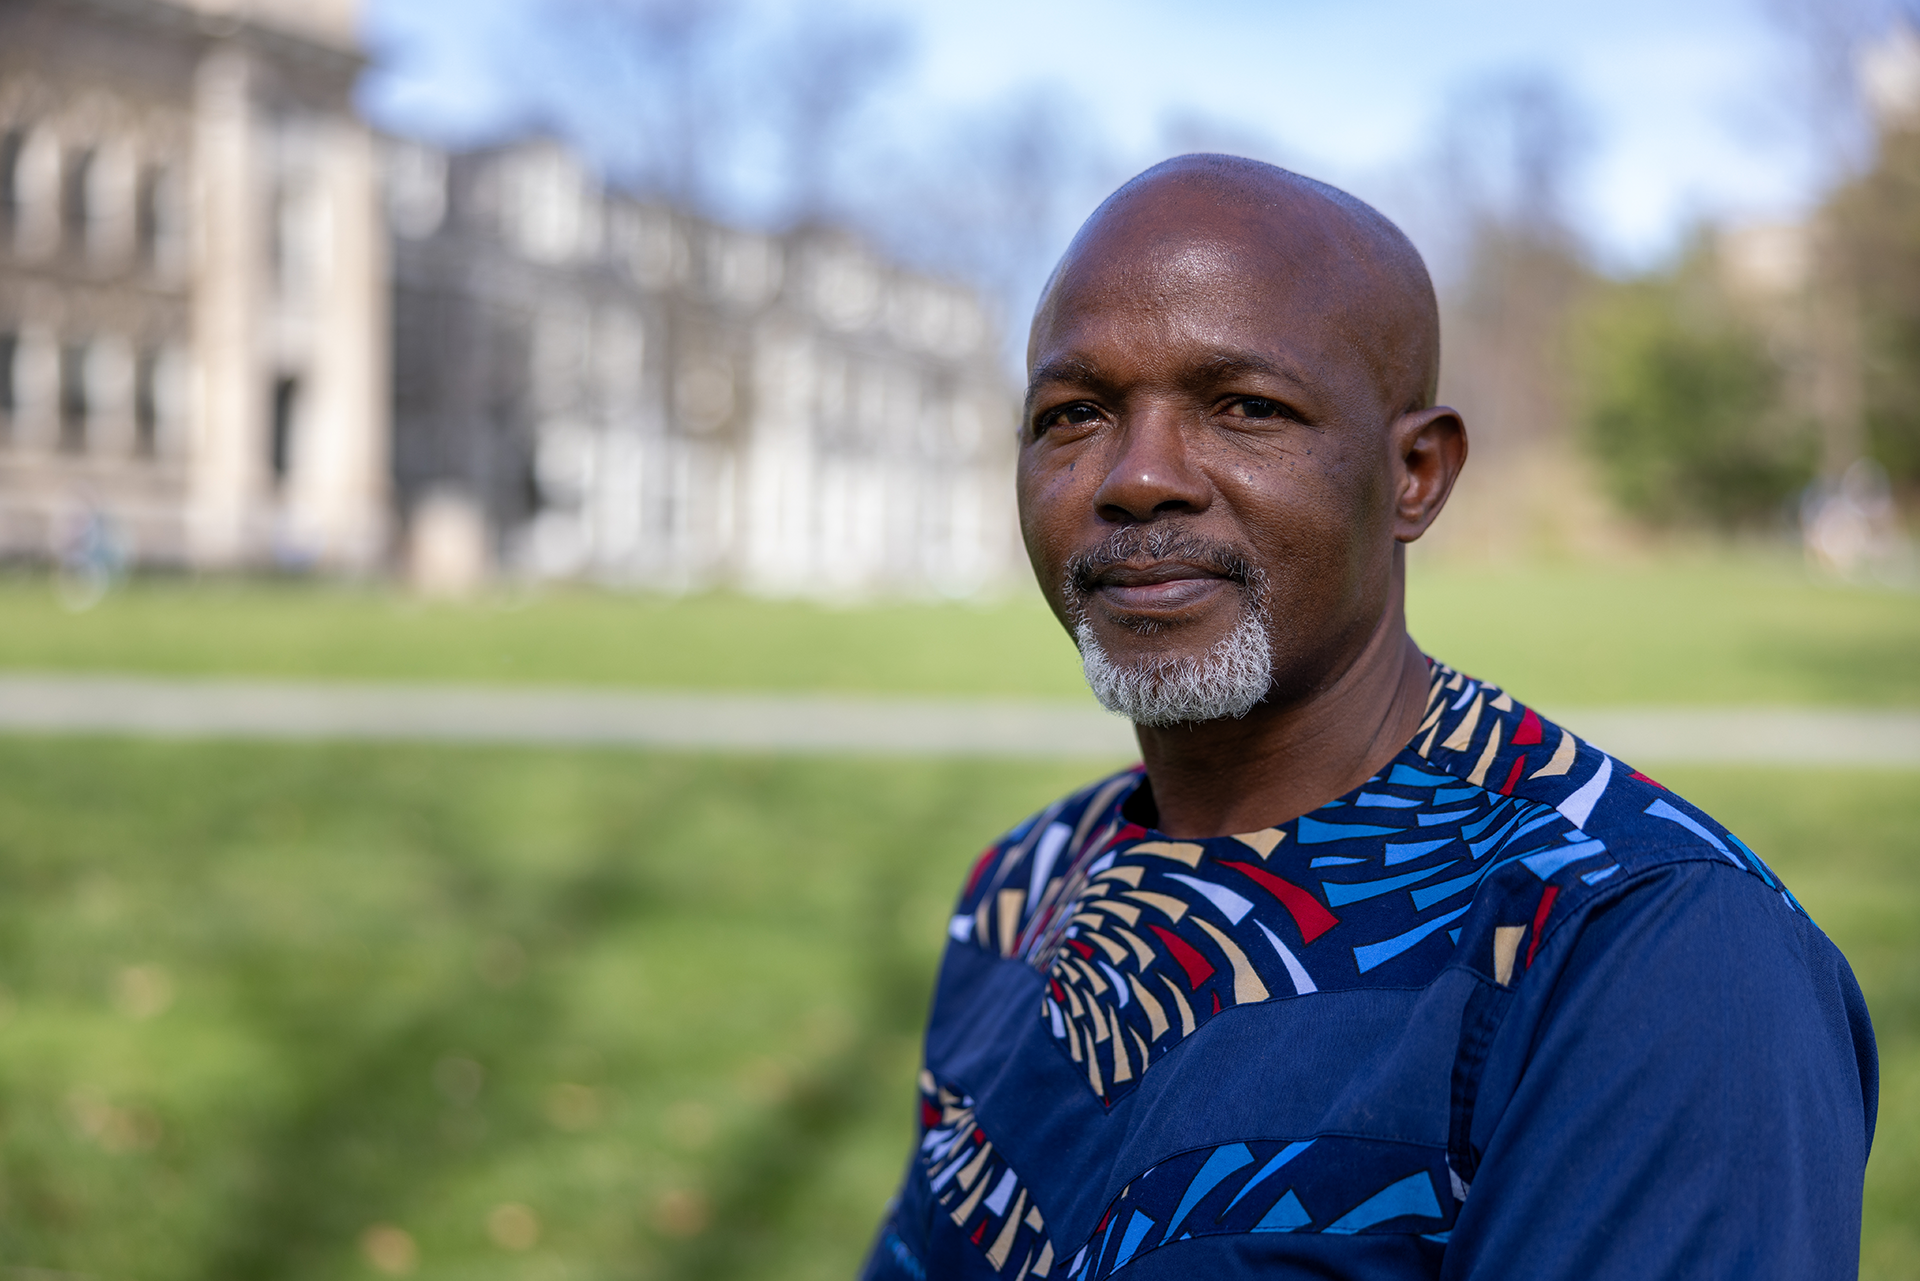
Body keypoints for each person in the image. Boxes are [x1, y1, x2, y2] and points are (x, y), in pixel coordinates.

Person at [858, 155, 1877, 1281]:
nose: (1138, 476)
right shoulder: (1023, 891)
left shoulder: (1646, 953)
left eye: (1245, 407)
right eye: (1074, 413)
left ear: (1417, 475)